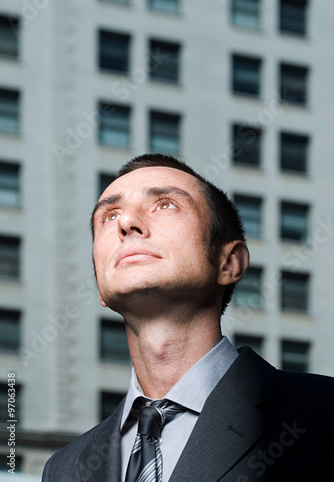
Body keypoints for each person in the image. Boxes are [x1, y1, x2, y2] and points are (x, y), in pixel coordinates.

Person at [42, 154, 334, 482]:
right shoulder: (64, 469)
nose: (126, 223)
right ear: (100, 284)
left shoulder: (323, 414)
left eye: (165, 204)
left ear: (229, 263)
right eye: (109, 216)